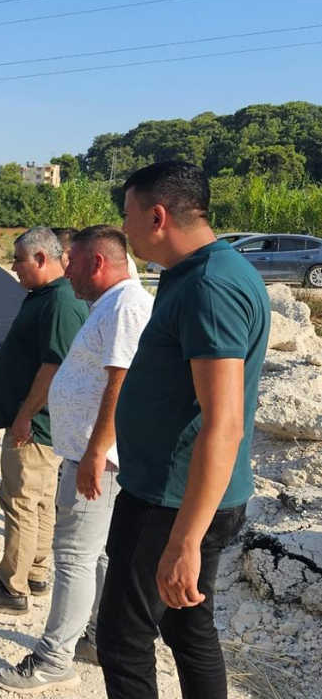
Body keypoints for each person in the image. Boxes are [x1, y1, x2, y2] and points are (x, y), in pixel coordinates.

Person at [97, 161, 270, 699]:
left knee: (123, 639)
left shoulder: (210, 287)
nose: (124, 229)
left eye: (127, 216)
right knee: (186, 625)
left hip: (171, 502)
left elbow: (225, 422)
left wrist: (186, 540)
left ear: (157, 215)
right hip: (176, 495)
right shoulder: (197, 275)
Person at [0, 225, 153, 693]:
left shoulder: (124, 307)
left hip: (97, 458)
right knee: (96, 555)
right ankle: (96, 637)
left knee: (74, 558)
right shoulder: (111, 303)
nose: (69, 271)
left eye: (74, 262)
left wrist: (95, 453)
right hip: (93, 454)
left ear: (97, 263)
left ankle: (52, 658)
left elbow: (118, 386)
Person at [0, 227, 88, 615]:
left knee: (19, 501)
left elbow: (54, 366)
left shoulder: (60, 303)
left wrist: (24, 416)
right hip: (43, 423)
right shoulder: (48, 296)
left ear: (40, 259)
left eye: (18, 259)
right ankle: (34, 571)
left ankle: (11, 587)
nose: (13, 267)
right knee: (39, 501)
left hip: (36, 425)